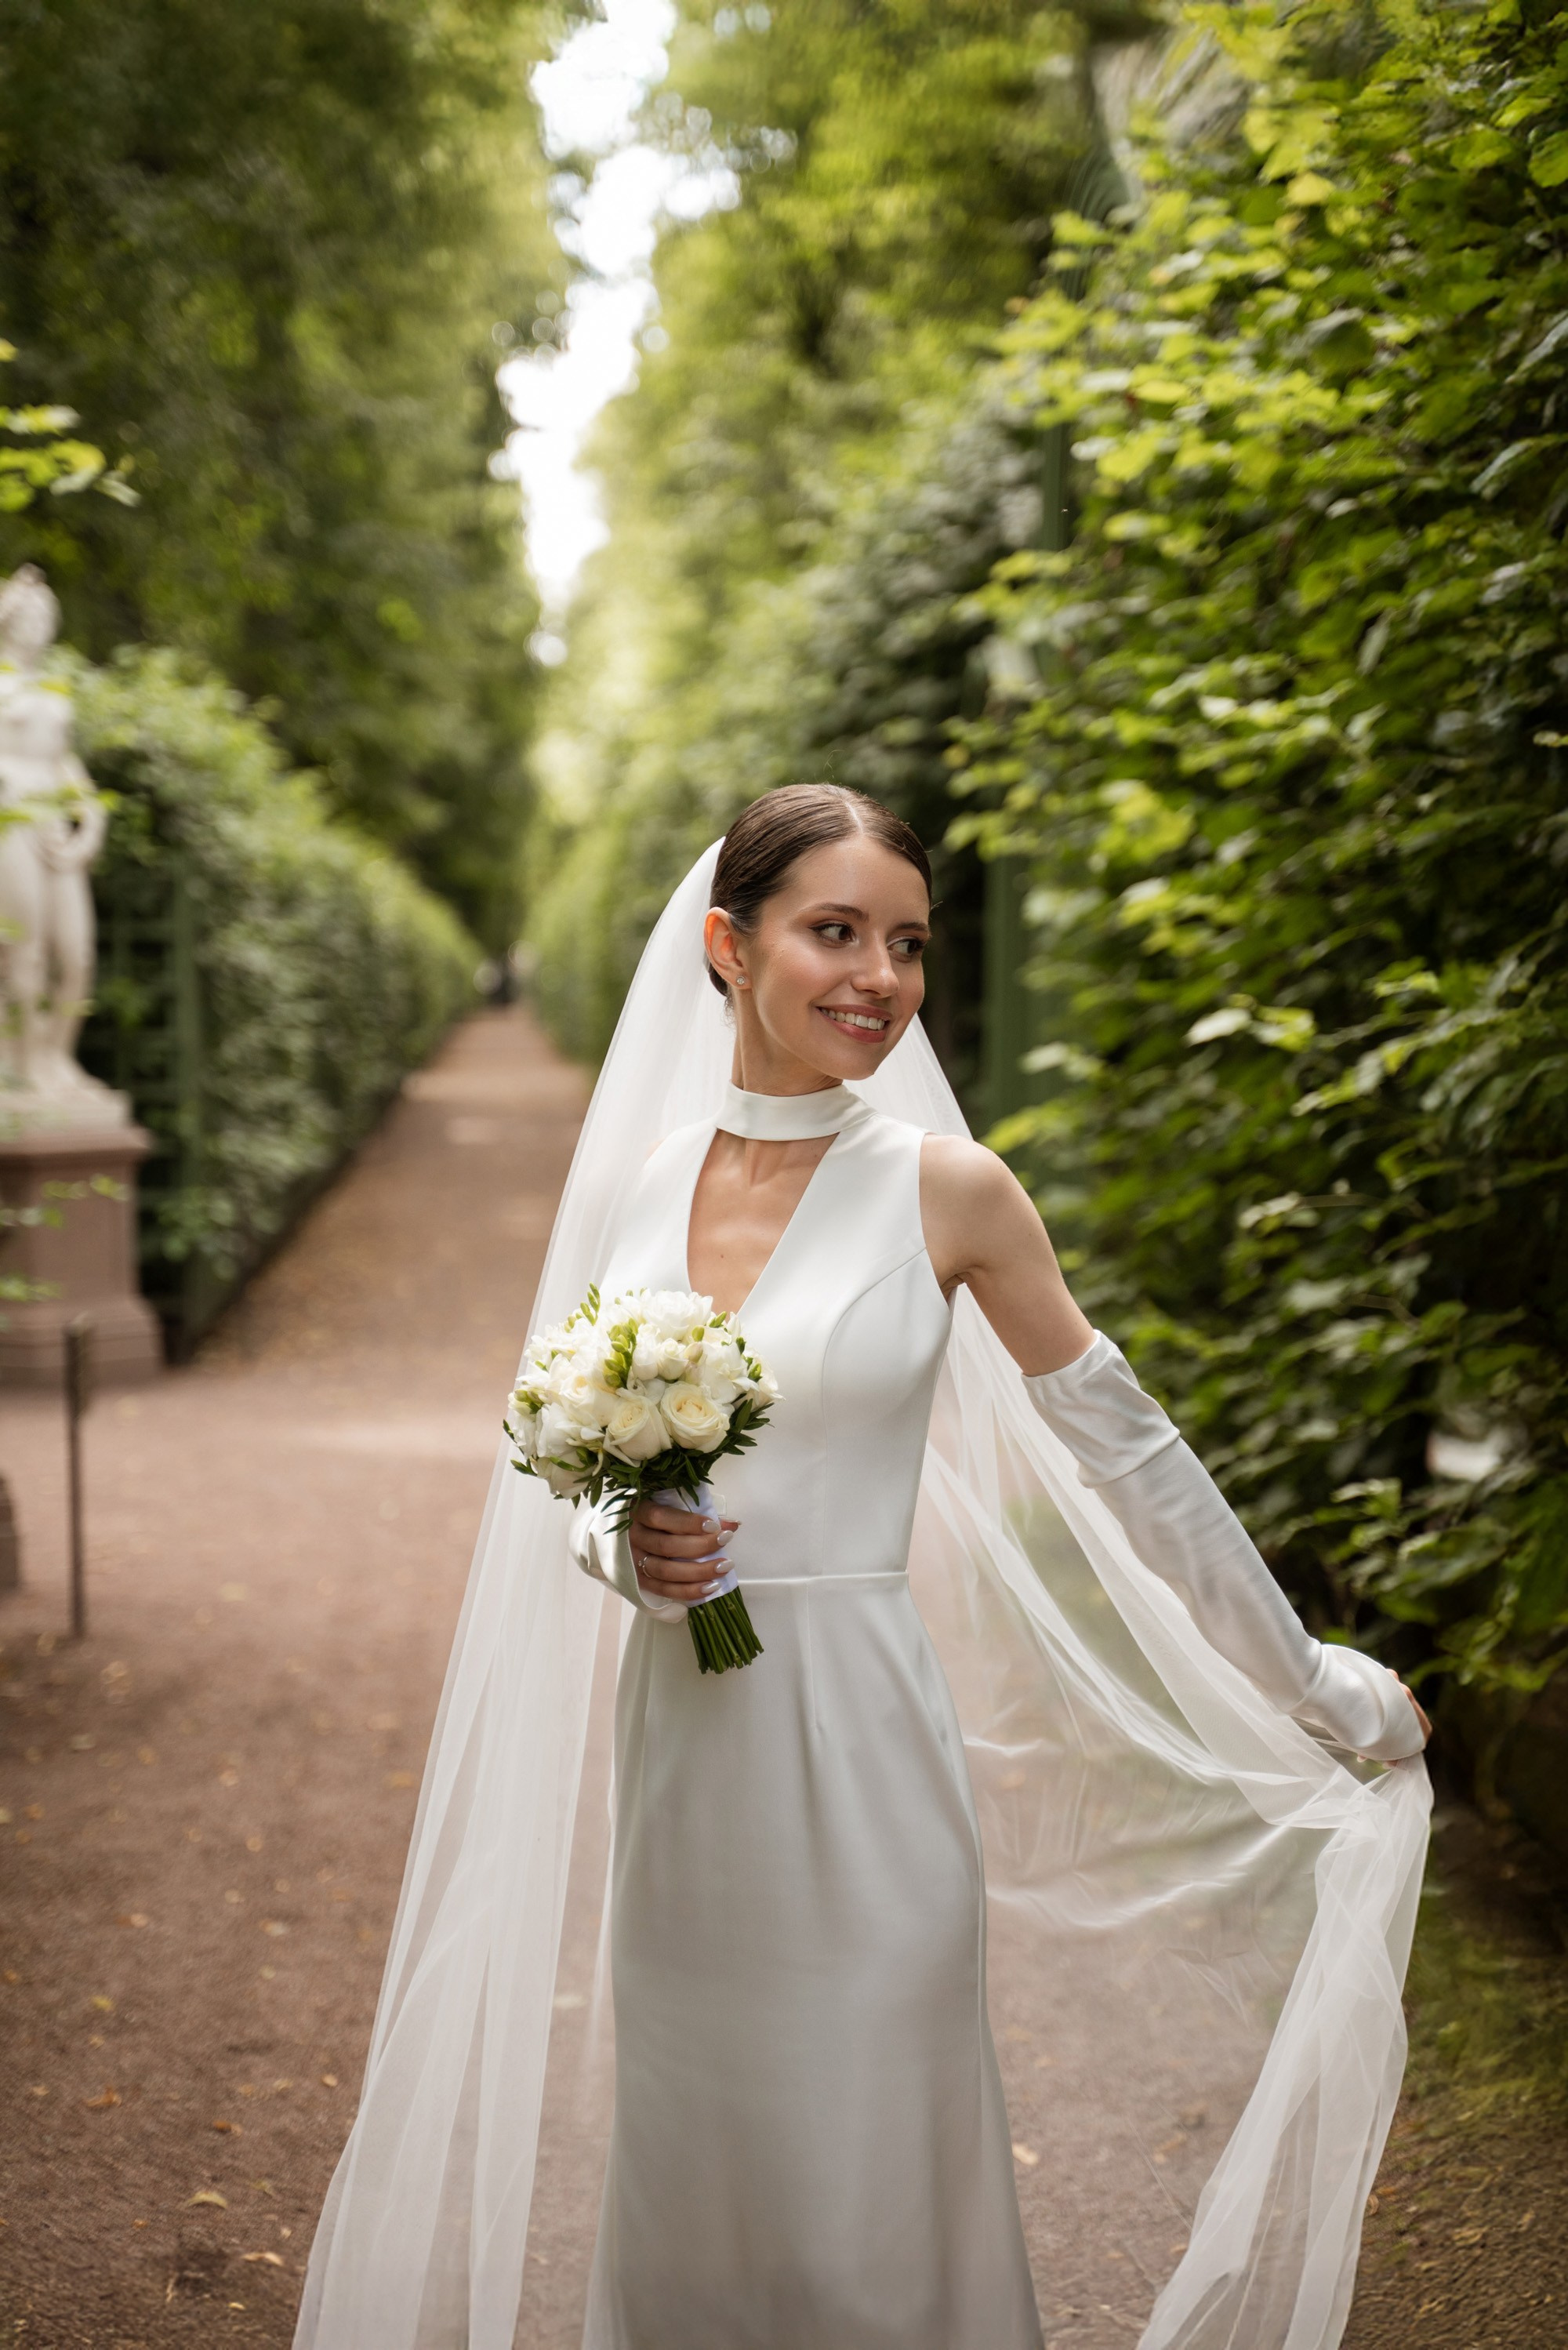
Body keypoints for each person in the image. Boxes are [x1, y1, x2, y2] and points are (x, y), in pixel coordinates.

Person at [294, 786, 1432, 2350]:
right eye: (833, 930)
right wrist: (626, 1543)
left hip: (869, 1750)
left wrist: (1305, 1681)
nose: (879, 977)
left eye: (904, 942)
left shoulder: (949, 1190)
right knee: (700, 2170)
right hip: (687, 1759)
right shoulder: (636, 1187)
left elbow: (1130, 1451)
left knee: (870, 2184)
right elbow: (566, 1481)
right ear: (727, 945)